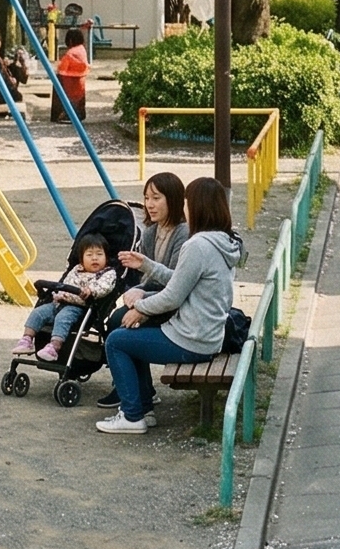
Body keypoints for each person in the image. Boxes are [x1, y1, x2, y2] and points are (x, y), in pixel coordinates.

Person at [98, 176, 244, 435]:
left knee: (117, 341)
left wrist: (140, 309)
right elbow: (181, 280)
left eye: (188, 202)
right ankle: (142, 409)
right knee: (129, 336)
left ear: (199, 206)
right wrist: (147, 265)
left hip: (191, 339)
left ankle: (132, 416)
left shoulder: (197, 245)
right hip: (207, 334)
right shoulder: (220, 241)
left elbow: (173, 296)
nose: (185, 208)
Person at [98, 172, 190, 409]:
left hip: (175, 304)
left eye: (156, 198)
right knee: (116, 318)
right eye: (147, 197)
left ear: (173, 199)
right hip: (157, 297)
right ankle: (139, 389)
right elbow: (149, 278)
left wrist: (143, 297)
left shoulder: (183, 233)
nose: (149, 204)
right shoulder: (150, 232)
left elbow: (175, 283)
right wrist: (137, 290)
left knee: (122, 324)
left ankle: (135, 394)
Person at [14, 236, 120, 360]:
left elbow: (104, 287)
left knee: (63, 317)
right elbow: (67, 283)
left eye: (99, 254)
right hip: (61, 302)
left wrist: (91, 291)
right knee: (39, 312)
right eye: (89, 255)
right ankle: (27, 339)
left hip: (80, 307)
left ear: (106, 257)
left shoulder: (107, 274)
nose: (94, 258)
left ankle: (54, 347)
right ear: (81, 259)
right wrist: (59, 293)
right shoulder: (76, 270)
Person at [51, 28, 90, 124]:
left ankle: (65, 114)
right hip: (80, 78)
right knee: (78, 98)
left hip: (69, 79)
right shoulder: (82, 49)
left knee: (64, 95)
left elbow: (62, 68)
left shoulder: (70, 53)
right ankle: (78, 113)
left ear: (70, 40)